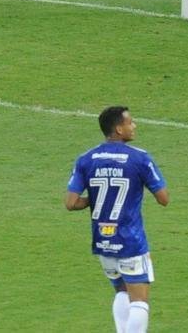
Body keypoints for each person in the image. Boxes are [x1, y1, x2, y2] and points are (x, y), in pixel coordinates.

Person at [65, 106, 169, 333]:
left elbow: (71, 203)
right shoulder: (140, 158)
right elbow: (163, 199)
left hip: (102, 241)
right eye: (130, 122)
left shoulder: (86, 159)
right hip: (131, 241)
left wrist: (94, 200)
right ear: (119, 129)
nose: (134, 126)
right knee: (139, 301)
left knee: (121, 291)